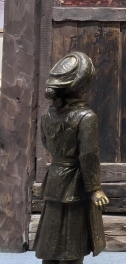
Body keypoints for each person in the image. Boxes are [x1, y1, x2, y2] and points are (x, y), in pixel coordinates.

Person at [33, 51, 108, 264]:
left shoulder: (47, 115)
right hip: (75, 183)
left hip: (54, 179)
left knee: (51, 239)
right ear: (82, 86)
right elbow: (89, 155)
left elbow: (46, 143)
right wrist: (94, 188)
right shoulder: (86, 117)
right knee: (72, 243)